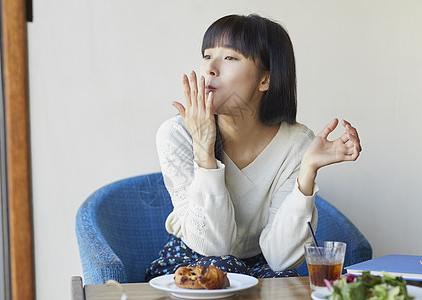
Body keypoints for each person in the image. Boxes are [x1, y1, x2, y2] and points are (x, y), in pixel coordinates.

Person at [145, 14, 362, 280]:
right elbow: (214, 248)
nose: (210, 68)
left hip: (261, 266)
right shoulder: (177, 135)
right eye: (207, 55)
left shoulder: (296, 143)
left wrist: (307, 172)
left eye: (230, 58)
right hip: (190, 261)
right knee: (225, 268)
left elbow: (282, 259)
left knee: (285, 282)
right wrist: (203, 150)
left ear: (265, 80)